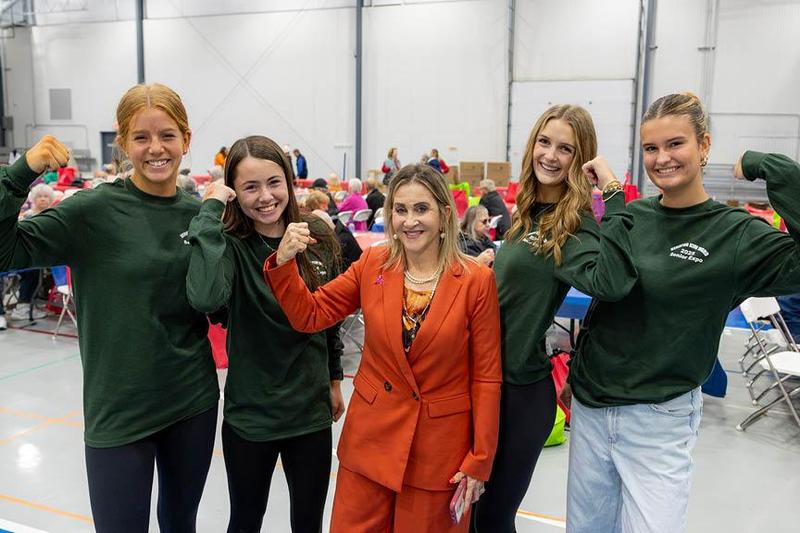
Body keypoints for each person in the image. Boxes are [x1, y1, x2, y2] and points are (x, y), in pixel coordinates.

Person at [566, 92, 800, 533]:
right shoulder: (632, 215)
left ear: (704, 145)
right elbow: (606, 298)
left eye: (676, 144)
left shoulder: (735, 234)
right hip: (592, 410)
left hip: (659, 419)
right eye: (651, 148)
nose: (662, 159)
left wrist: (768, 166)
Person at [0, 83, 219, 532]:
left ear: (186, 139)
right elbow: (5, 253)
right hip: (118, 409)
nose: (155, 148)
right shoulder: (92, 211)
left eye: (167, 135)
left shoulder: (198, 213)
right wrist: (19, 175)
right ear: (122, 143)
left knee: (181, 523)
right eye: (141, 137)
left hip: (191, 401)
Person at [265, 163, 502, 532]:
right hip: (370, 442)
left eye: (421, 209)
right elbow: (310, 315)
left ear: (444, 214)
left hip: (438, 453)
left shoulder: (476, 281)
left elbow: (486, 378)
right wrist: (283, 264)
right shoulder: (373, 263)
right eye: (400, 209)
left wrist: (481, 458)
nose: (410, 221)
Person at [472, 104, 637, 533]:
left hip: (519, 394)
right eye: (544, 142)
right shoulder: (527, 213)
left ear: (581, 160)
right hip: (483, 383)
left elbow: (613, 283)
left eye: (565, 148)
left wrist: (612, 191)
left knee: (490, 519)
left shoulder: (573, 226)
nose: (550, 155)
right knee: (469, 515)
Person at [186, 135, 344, 533]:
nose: (265, 197)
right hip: (251, 415)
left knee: (308, 522)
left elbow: (329, 317)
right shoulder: (229, 245)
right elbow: (206, 298)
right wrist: (210, 211)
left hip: (309, 412)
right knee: (245, 520)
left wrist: (334, 378)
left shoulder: (317, 235)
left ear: (289, 181)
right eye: (250, 187)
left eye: (274, 182)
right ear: (234, 193)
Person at [10, 183, 58, 321]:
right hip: (28, 257)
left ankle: (40, 302)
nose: (42, 199)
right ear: (33, 199)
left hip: (44, 255)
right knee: (33, 272)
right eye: (39, 196)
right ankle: (23, 307)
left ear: (51, 199)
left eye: (46, 196)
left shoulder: (51, 215)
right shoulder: (28, 216)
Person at [305, 190, 362, 270]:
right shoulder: (336, 225)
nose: (327, 208)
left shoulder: (338, 237)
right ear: (315, 205)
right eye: (324, 206)